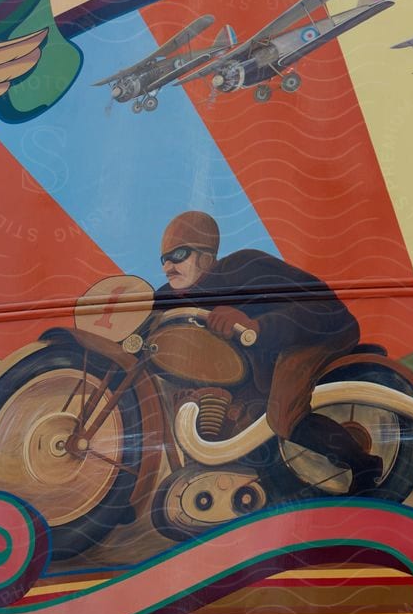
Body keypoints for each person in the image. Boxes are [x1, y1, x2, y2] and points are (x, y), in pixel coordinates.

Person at [154, 210, 377, 492]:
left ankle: (363, 464)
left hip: (315, 335)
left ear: (206, 256)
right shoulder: (169, 296)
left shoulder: (245, 266)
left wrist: (257, 326)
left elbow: (320, 308)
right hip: (260, 359)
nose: (168, 266)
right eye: (164, 259)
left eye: (179, 254)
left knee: (283, 414)